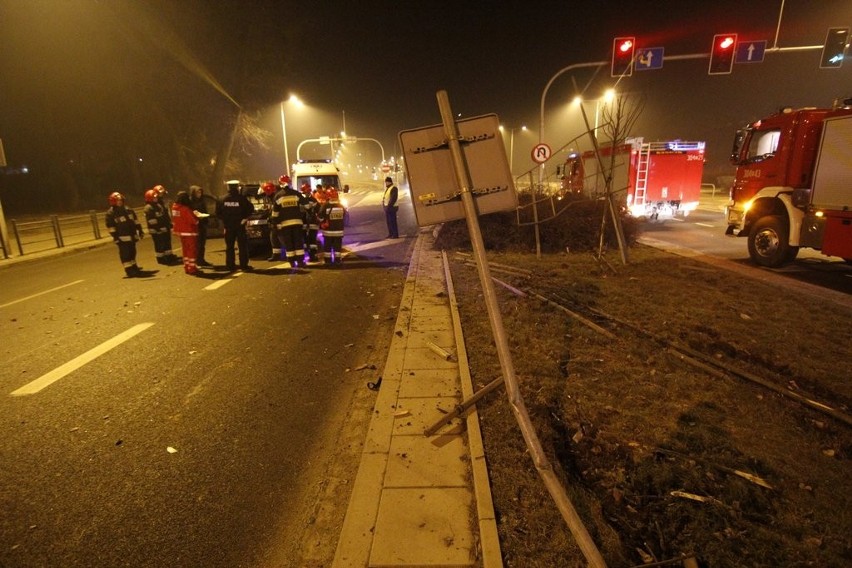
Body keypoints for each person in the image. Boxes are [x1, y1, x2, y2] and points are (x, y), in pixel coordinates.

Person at [216, 179, 253, 272]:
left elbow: (218, 213)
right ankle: (244, 265)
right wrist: (244, 219)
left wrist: (225, 220)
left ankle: (230, 265)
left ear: (228, 187)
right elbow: (250, 209)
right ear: (237, 187)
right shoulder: (242, 199)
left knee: (229, 246)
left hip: (228, 226)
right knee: (242, 246)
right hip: (240, 226)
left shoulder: (221, 199)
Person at [105, 191, 145, 277]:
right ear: (113, 202)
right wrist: (115, 237)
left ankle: (134, 267)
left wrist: (140, 230)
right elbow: (111, 227)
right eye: (118, 201)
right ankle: (129, 270)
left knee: (132, 252)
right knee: (125, 254)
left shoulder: (128, 210)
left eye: (121, 200)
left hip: (131, 236)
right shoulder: (111, 214)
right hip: (122, 238)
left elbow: (135, 221)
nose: (120, 202)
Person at [272, 176, 307, 268]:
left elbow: (275, 213)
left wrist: (276, 223)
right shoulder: (296, 194)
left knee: (288, 243)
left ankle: (292, 262)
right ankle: (300, 262)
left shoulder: (278, 196)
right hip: (297, 223)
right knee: (298, 242)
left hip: (285, 224)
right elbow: (306, 205)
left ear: (280, 183)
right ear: (290, 183)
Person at [143, 185, 179, 265]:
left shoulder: (159, 204)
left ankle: (168, 255)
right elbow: (153, 220)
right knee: (159, 244)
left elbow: (164, 215)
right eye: (160, 194)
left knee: (166, 242)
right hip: (157, 230)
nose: (161, 196)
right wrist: (159, 228)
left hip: (163, 227)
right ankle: (161, 258)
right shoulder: (149, 207)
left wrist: (168, 224)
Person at [170, 191, 201, 276]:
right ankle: (192, 268)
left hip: (181, 232)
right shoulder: (185, 209)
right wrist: (197, 218)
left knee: (185, 250)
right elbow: (193, 221)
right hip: (189, 232)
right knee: (191, 250)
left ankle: (186, 266)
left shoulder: (174, 207)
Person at [318, 188, 345, 265]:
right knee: (337, 247)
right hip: (339, 231)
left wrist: (323, 222)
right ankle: (337, 260)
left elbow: (320, 216)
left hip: (328, 232)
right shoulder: (341, 206)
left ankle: (328, 261)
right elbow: (344, 216)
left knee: (328, 247)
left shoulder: (325, 205)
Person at [189, 185, 211, 266]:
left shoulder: (201, 201)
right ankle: (196, 260)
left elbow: (205, 210)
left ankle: (201, 259)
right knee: (196, 244)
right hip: (194, 225)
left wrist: (205, 219)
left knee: (202, 244)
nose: (199, 194)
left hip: (202, 224)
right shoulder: (190, 202)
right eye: (197, 192)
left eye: (200, 192)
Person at [300, 183, 320, 263]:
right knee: (312, 240)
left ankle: (305, 256)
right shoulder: (313, 200)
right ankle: (313, 256)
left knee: (305, 240)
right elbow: (319, 211)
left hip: (303, 223)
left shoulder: (300, 200)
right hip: (312, 223)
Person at [262, 180, 281, 261]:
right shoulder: (269, 197)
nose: (266, 193)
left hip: (279, 221)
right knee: (273, 238)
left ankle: (290, 255)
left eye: (267, 191)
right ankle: (276, 255)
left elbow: (277, 210)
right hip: (273, 221)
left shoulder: (276, 197)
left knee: (282, 239)